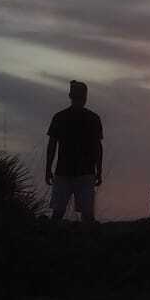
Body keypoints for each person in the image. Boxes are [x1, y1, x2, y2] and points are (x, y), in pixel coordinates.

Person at [45, 80, 103, 222]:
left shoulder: (60, 117)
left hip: (67, 171)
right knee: (86, 216)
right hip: (82, 172)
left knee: (58, 213)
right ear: (85, 97)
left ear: (70, 96)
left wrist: (48, 168)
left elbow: (52, 145)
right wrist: (99, 170)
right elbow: (98, 148)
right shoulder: (93, 118)